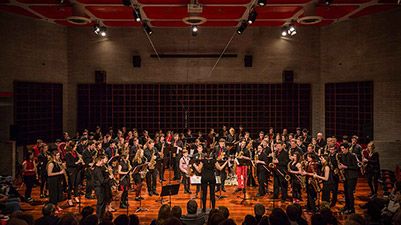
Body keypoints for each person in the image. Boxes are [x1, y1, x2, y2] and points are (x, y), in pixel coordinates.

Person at [339, 143, 359, 214]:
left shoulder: (352, 156)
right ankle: (347, 206)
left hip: (352, 177)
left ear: (347, 148)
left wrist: (346, 167)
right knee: (346, 193)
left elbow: (356, 167)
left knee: (350, 193)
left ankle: (352, 209)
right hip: (346, 177)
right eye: (341, 149)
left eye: (343, 148)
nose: (342, 150)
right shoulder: (342, 155)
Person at [93, 154, 113, 219]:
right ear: (101, 160)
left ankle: (101, 217)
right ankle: (98, 218)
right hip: (99, 189)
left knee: (103, 204)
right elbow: (102, 181)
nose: (106, 160)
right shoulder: (97, 170)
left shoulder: (100, 168)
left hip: (102, 188)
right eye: (105, 159)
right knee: (100, 204)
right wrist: (110, 177)